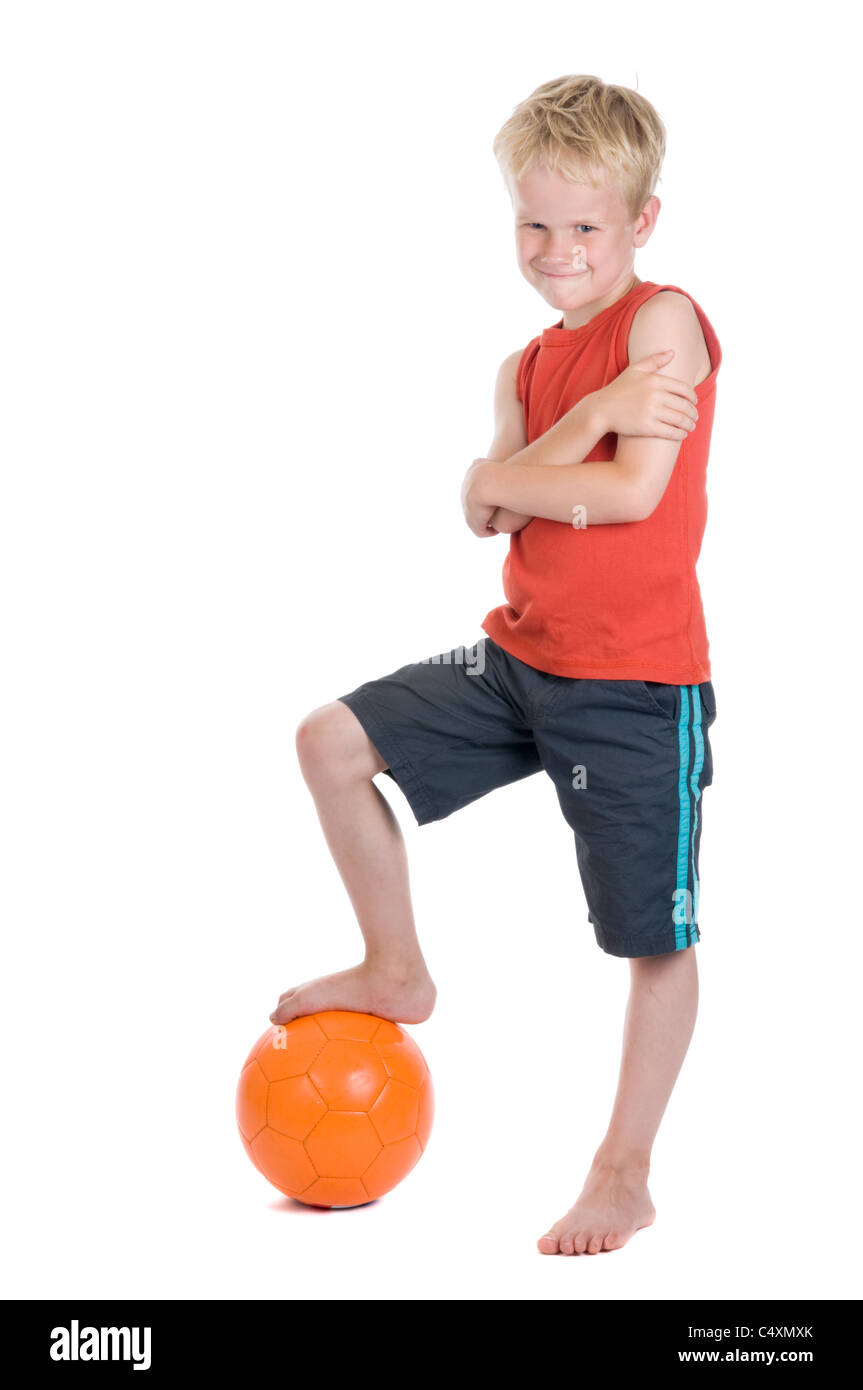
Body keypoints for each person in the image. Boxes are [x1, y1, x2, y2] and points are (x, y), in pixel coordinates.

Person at [271, 74, 721, 1256]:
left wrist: (522, 477)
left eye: (584, 225)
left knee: (650, 939)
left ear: (639, 223)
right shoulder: (524, 368)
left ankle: (621, 1172)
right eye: (534, 224)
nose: (557, 250)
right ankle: (396, 965)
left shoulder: (662, 324)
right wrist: (574, 429)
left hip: (633, 683)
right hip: (520, 658)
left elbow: (626, 494)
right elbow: (481, 507)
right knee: (329, 739)